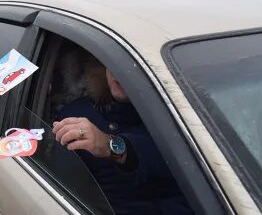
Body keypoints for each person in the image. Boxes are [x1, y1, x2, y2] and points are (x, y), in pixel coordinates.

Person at [53, 66, 192, 214]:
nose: (118, 73)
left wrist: (109, 145)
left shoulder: (181, 118)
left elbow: (172, 157)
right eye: (110, 63)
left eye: (136, 68)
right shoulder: (76, 117)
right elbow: (61, 192)